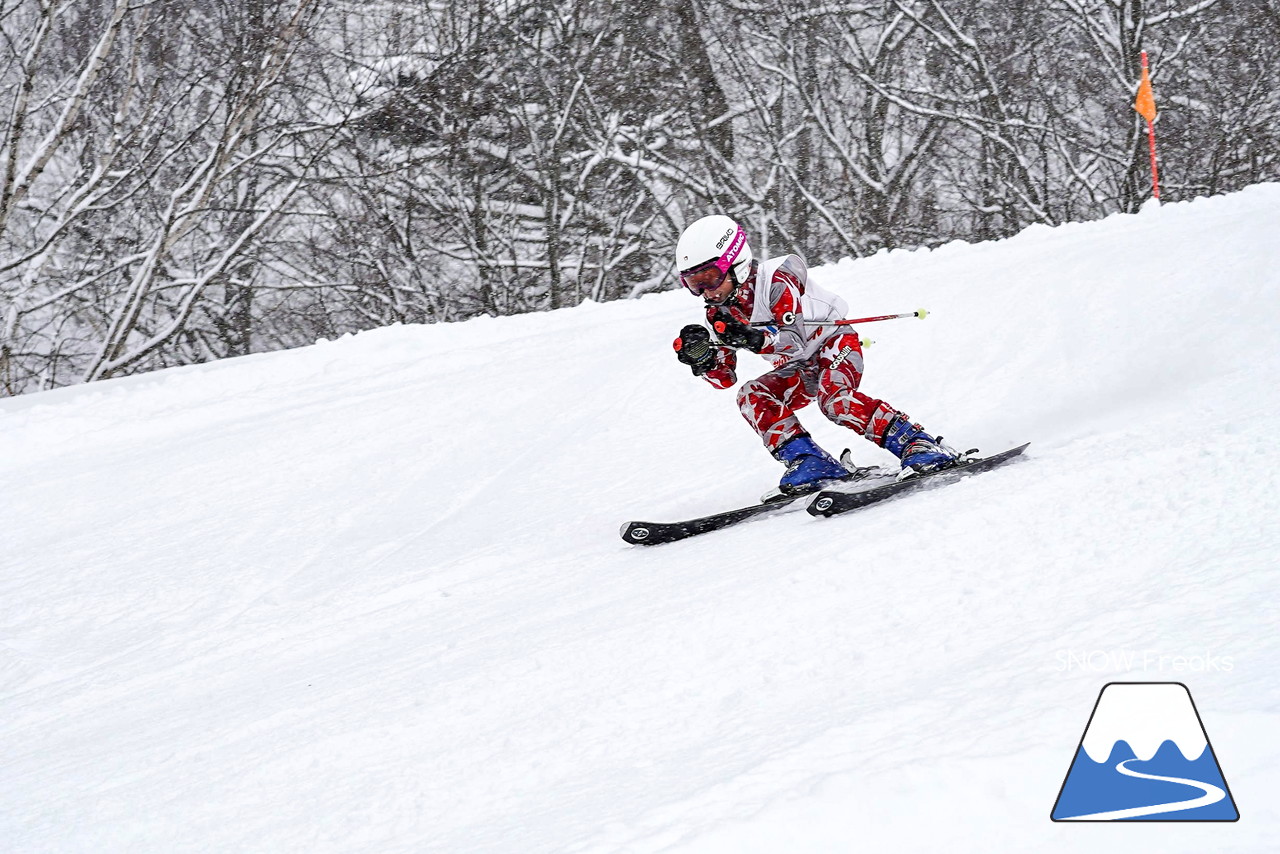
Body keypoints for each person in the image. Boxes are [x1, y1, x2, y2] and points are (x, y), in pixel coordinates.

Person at [671, 214, 958, 495]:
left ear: (737, 263)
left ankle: (917, 443)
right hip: (798, 366)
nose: (705, 292)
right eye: (693, 284)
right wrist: (703, 361)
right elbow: (725, 379)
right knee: (751, 395)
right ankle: (811, 461)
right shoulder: (717, 313)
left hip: (833, 342)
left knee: (834, 399)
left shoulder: (776, 280)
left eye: (709, 278)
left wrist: (752, 338)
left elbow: (793, 340)